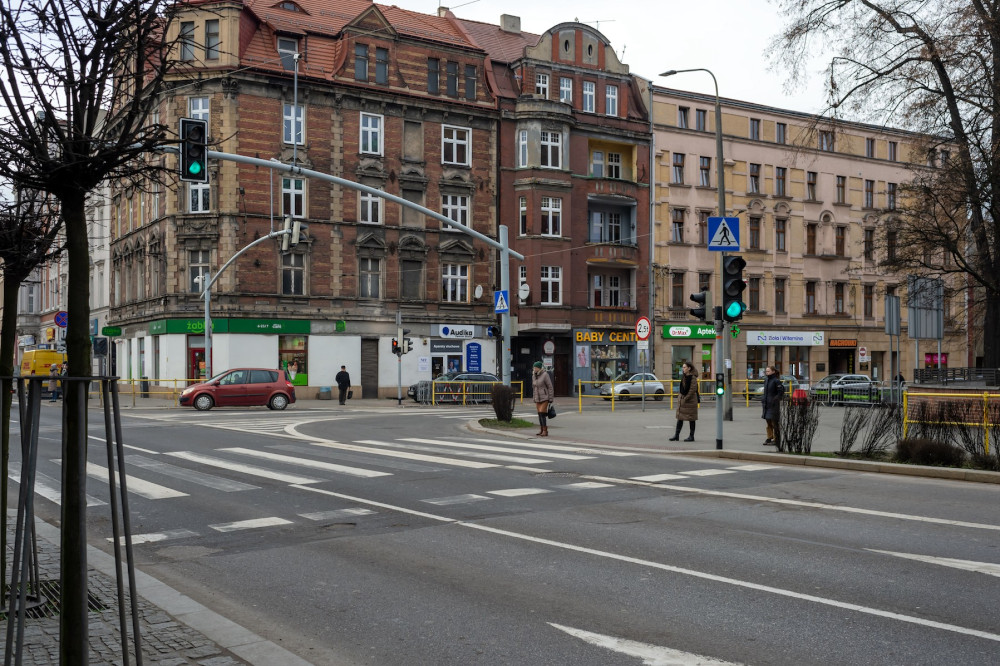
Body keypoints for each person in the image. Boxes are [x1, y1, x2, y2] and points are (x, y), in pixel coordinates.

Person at [668, 362, 699, 442]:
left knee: (691, 418)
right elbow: (682, 388)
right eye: (683, 367)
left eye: (684, 367)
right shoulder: (684, 377)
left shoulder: (692, 378)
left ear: (689, 368)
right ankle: (676, 435)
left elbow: (692, 390)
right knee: (680, 418)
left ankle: (691, 436)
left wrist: (685, 399)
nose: (683, 369)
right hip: (683, 400)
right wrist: (681, 397)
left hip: (690, 401)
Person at [761, 365, 785, 446]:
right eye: (766, 371)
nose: (767, 372)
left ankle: (776, 438)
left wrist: (776, 399)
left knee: (774, 422)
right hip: (766, 404)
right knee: (768, 422)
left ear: (773, 372)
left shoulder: (776, 381)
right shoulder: (766, 380)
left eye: (768, 371)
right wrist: (763, 399)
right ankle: (769, 437)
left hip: (773, 405)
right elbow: (766, 392)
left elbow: (780, 392)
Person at [531, 361, 554, 437]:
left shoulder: (545, 375)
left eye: (536, 367)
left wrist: (550, 398)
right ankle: (541, 430)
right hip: (537, 398)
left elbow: (550, 387)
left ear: (539, 368)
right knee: (539, 414)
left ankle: (545, 430)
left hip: (544, 397)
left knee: (542, 413)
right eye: (534, 367)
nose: (534, 369)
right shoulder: (534, 376)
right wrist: (534, 398)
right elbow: (534, 388)